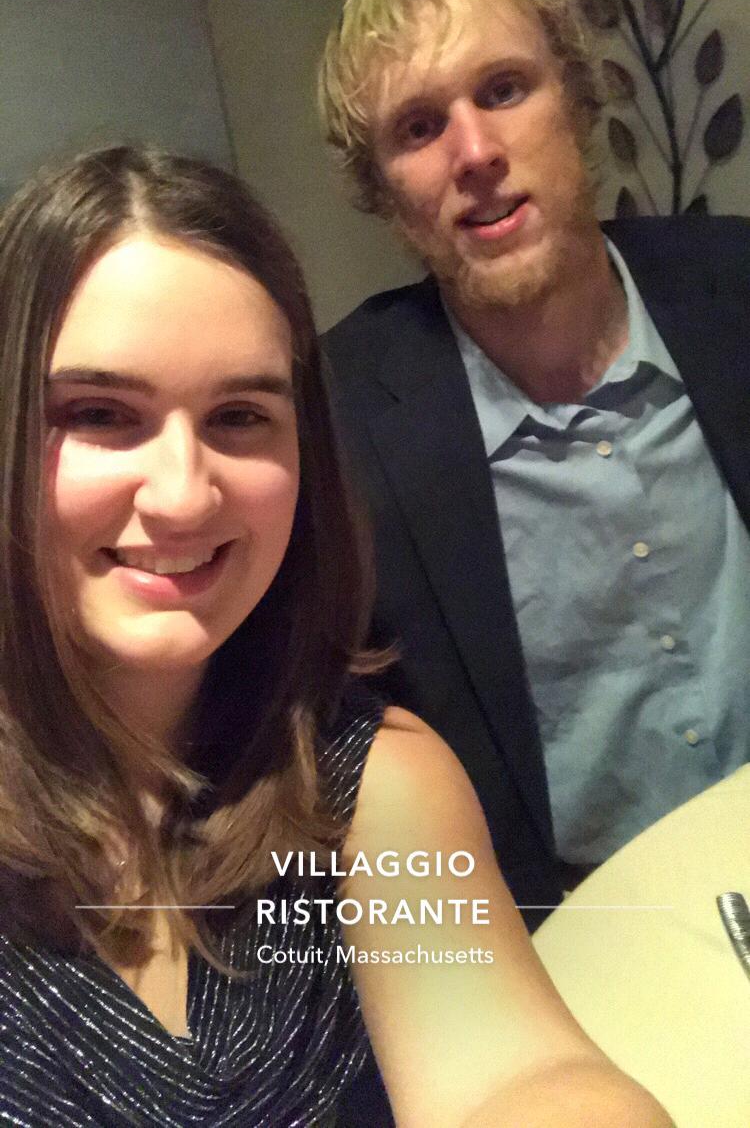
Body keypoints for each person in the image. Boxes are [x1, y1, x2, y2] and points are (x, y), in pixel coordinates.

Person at [0, 145, 673, 1126]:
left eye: (240, 416)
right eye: (102, 414)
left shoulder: (370, 783)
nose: (184, 494)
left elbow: (514, 1075)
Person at [319, 0, 750, 922]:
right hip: (580, 943)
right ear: (384, 194)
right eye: (418, 127)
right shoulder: (335, 427)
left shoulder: (737, 288)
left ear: (579, 101)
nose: (475, 153)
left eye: (505, 88)